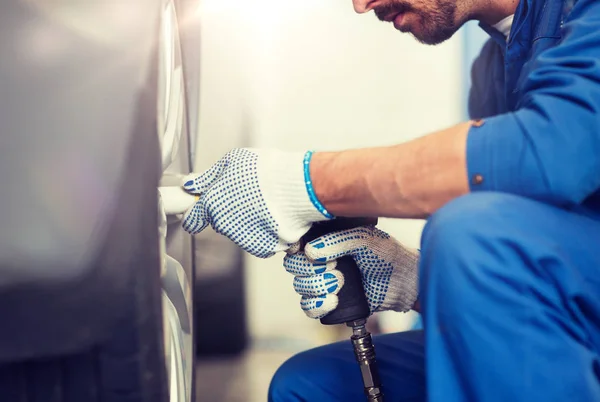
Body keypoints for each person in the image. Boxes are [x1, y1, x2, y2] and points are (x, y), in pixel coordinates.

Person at [182, 0, 600, 400]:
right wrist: (410, 279)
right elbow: (531, 265)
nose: (360, 5)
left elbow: (556, 149)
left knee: (468, 233)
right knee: (310, 385)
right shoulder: (493, 67)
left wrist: (305, 182)